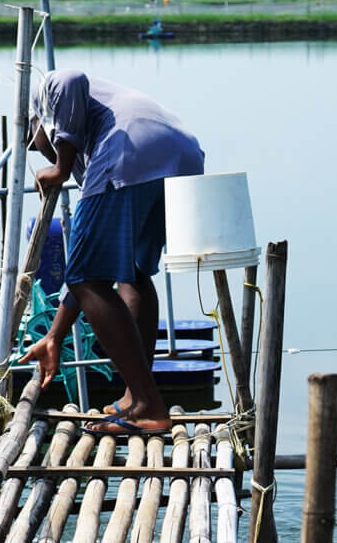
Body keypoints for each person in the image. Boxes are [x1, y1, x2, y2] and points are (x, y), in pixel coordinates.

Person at [18, 68, 204, 435]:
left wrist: (60, 165)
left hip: (131, 150)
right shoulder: (93, 149)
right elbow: (89, 274)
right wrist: (55, 336)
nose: (39, 148)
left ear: (39, 124)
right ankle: (135, 397)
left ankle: (149, 406)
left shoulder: (47, 93)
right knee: (131, 272)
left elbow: (69, 78)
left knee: (89, 277)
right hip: (181, 156)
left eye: (35, 142)